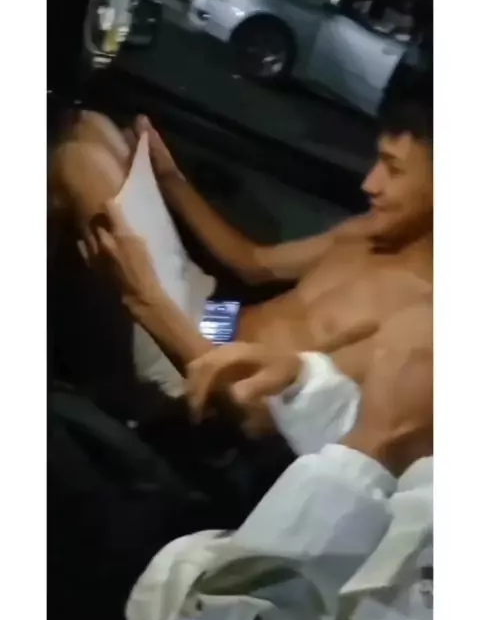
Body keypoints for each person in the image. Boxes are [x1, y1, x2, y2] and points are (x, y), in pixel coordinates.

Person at [50, 88, 432, 396]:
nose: (369, 184)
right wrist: (171, 178)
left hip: (196, 363)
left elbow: (261, 415)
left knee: (78, 160)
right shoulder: (367, 234)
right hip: (214, 315)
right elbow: (253, 263)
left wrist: (146, 297)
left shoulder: (417, 322)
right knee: (90, 125)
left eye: (394, 170)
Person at [125, 306, 433, 620]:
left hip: (174, 619)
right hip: (220, 543)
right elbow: (401, 485)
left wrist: (375, 440)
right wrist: (310, 391)